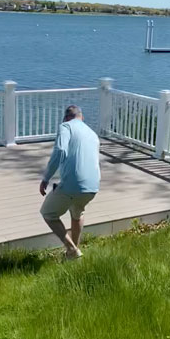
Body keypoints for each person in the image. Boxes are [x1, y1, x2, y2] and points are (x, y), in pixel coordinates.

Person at [39, 105, 101, 260]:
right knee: (77, 213)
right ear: (82, 117)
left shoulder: (65, 126)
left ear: (66, 117)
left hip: (73, 185)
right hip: (93, 186)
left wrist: (46, 178)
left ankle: (72, 250)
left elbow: (60, 151)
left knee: (48, 213)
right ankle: (72, 255)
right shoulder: (93, 134)